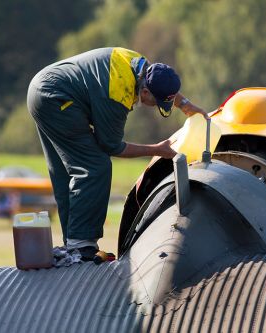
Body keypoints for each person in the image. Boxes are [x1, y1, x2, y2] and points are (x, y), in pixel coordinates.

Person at [27, 47, 208, 260]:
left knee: (66, 171)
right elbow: (112, 147)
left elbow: (160, 82)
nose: (153, 107)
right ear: (145, 93)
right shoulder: (117, 94)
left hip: (41, 89)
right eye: (156, 102)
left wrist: (185, 105)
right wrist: (157, 150)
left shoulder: (141, 66)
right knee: (95, 166)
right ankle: (80, 246)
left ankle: (73, 243)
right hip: (56, 98)